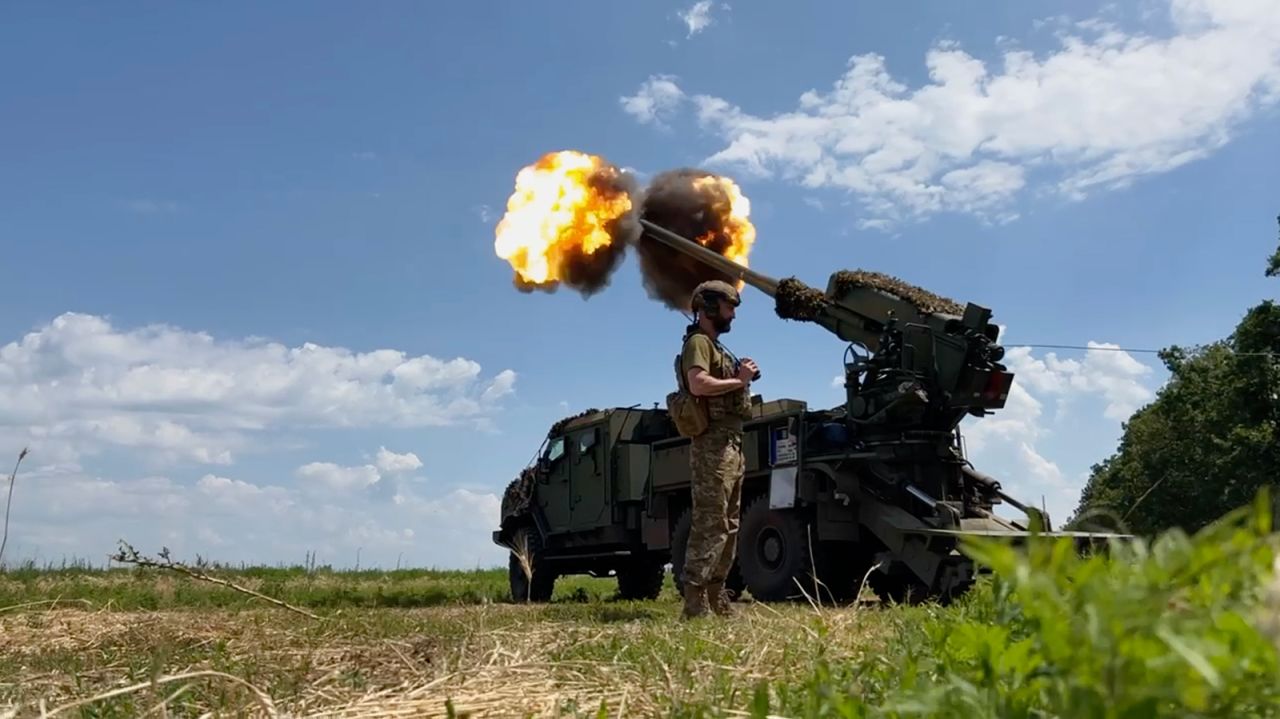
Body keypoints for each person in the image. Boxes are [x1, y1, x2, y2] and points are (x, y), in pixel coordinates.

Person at [677, 279, 759, 619]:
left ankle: (715, 596)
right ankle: (694, 602)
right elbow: (698, 383)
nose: (733, 316)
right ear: (710, 307)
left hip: (731, 442)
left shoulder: (718, 348)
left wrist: (741, 376)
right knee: (711, 522)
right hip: (712, 443)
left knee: (730, 524)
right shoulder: (698, 343)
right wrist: (739, 381)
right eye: (729, 308)